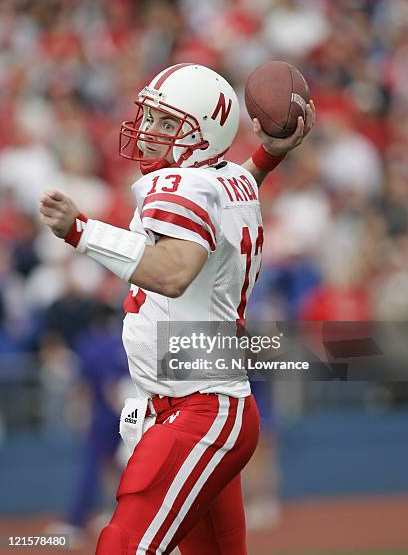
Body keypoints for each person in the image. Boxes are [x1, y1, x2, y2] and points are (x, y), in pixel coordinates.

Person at [39, 63, 315, 554]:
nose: (147, 132)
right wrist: (268, 155)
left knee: (123, 544)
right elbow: (233, 187)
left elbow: (172, 272)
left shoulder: (184, 187)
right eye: (149, 117)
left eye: (168, 125)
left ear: (204, 136)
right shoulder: (227, 180)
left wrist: (82, 232)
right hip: (203, 403)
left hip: (198, 411)